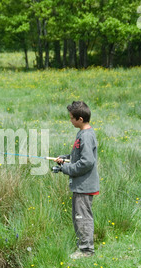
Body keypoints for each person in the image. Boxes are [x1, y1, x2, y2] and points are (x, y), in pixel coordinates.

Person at [55, 101, 100, 259]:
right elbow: (79, 156)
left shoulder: (86, 136)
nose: (70, 120)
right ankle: (83, 246)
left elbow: (87, 162)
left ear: (80, 119)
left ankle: (86, 251)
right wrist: (65, 159)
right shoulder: (83, 133)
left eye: (72, 118)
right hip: (81, 185)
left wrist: (66, 169)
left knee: (82, 217)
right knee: (79, 216)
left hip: (84, 186)